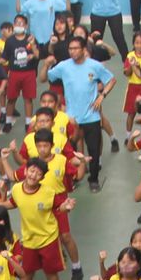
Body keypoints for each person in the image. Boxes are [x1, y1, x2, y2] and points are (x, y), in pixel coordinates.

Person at [47, 36, 116, 190]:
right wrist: (47, 65)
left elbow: (111, 80)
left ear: (84, 49)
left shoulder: (94, 66)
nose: (72, 51)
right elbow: (50, 76)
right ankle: (72, 178)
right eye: (70, 49)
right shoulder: (63, 66)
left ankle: (93, 179)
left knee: (93, 149)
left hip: (91, 116)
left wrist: (102, 96)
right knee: (69, 151)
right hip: (72, 118)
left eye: (75, 48)